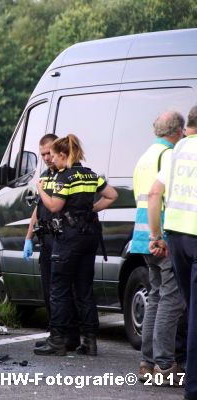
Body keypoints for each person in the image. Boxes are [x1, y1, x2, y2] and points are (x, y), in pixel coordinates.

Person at [34, 134, 118, 356]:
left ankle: (58, 341)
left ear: (63, 155)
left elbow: (54, 206)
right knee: (84, 289)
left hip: (68, 238)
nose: (52, 160)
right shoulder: (90, 175)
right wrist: (90, 210)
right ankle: (90, 341)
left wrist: (40, 189)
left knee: (59, 289)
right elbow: (111, 195)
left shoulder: (65, 177)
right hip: (89, 236)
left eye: (53, 155)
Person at [130, 111, 186, 382]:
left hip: (142, 235)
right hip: (160, 235)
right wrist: (159, 236)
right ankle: (164, 365)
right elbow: (158, 195)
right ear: (178, 130)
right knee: (170, 299)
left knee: (155, 296)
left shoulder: (146, 155)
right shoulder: (168, 155)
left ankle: (147, 362)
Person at [148, 105, 197, 394]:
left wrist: (157, 235)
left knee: (189, 309)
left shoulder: (176, 150)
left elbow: (155, 193)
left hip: (176, 237)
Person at [23, 134, 80, 351]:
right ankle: (55, 334)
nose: (47, 158)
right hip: (46, 240)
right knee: (49, 290)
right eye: (43, 154)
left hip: (62, 240)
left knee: (63, 291)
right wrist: (28, 238)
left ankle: (66, 337)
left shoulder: (66, 176)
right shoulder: (47, 175)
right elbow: (38, 209)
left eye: (49, 153)